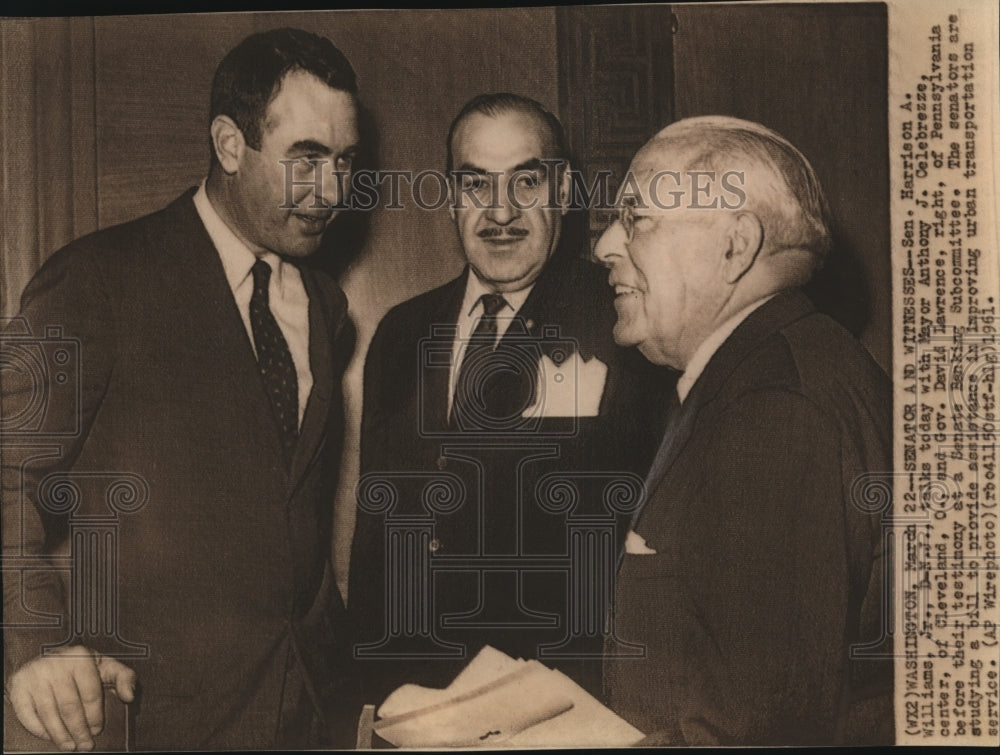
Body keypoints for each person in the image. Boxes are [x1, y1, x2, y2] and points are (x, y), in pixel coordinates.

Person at [2, 28, 360, 750]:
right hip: (159, 719)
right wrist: (37, 643)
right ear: (230, 144)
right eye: (307, 160)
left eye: (347, 162)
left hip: (313, 711)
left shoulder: (324, 302)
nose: (331, 191)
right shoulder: (98, 280)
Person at [349, 93, 669, 709]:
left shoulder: (623, 324)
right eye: (475, 184)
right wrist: (371, 697)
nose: (500, 211)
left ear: (566, 191)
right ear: (450, 198)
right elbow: (376, 541)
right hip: (414, 703)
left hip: (563, 703)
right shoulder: (401, 332)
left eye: (527, 181)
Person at [595, 115, 894, 746]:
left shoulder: (774, 406)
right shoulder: (775, 369)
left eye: (637, 218)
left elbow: (755, 731)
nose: (605, 246)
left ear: (735, 245)